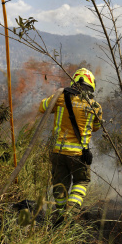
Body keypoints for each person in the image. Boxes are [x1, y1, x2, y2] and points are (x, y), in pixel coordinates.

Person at [39, 68, 102, 217]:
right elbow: (96, 128)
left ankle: (61, 214)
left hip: (58, 152)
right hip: (79, 155)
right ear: (91, 86)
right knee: (81, 182)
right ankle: (70, 213)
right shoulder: (95, 107)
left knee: (60, 185)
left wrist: (58, 94)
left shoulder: (60, 98)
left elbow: (42, 107)